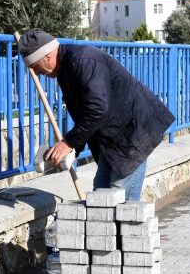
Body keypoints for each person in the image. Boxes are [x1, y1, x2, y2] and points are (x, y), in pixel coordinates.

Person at [18, 29, 175, 201]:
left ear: (47, 56)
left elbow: (97, 109)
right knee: (99, 199)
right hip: (110, 139)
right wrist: (74, 148)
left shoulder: (84, 61)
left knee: (119, 206)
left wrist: (68, 142)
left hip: (131, 134)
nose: (38, 74)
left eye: (35, 67)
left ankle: (122, 228)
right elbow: (84, 114)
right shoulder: (65, 70)